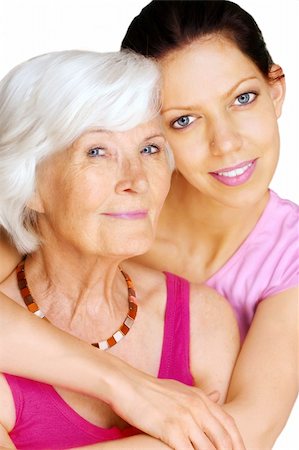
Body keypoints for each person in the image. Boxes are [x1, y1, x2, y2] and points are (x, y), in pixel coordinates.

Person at [0, 0, 297, 448]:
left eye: (243, 97)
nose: (226, 142)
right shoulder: (66, 215)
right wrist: (128, 386)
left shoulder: (223, 304)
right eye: (183, 120)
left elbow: (246, 432)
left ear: (276, 90)